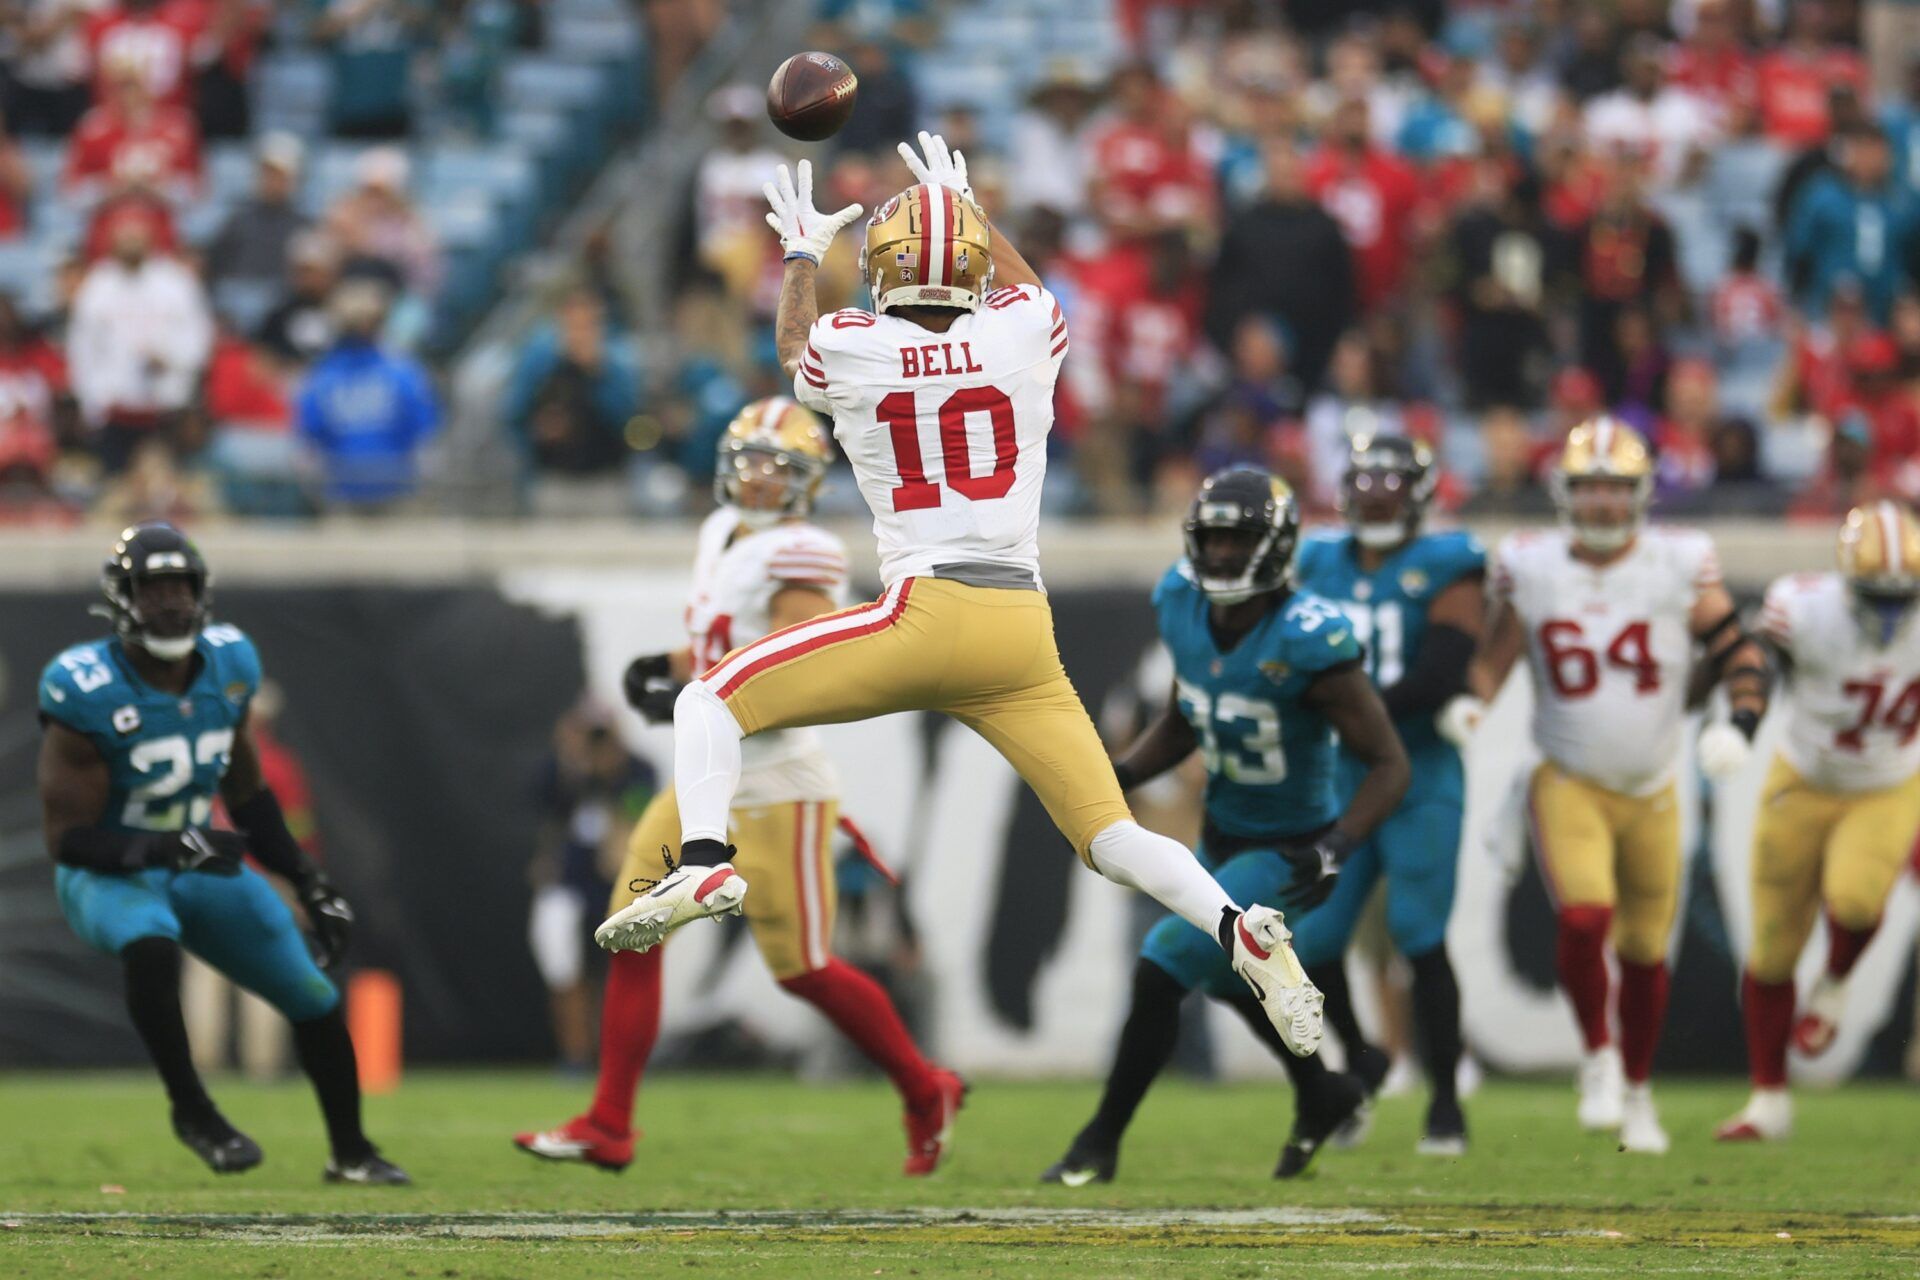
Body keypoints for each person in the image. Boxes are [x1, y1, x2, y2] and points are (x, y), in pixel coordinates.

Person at [597, 134, 1330, 1067]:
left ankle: (702, 865)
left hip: (925, 612)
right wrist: (971, 207)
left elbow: (793, 350)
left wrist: (796, 254)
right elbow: (1030, 294)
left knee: (709, 700)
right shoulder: (1020, 331)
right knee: (1108, 836)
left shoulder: (855, 346)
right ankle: (1241, 930)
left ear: (883, 270)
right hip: (1021, 629)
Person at [516, 398, 962, 1173]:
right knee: (631, 928)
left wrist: (711, 691)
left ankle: (925, 1088)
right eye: (748, 461)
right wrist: (671, 666)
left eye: (776, 467)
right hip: (706, 782)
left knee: (805, 970)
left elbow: (805, 665)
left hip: (778, 784)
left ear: (806, 483)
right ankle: (610, 1122)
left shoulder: (805, 551)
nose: (757, 478)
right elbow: (730, 647)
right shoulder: (722, 533)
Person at [1040, 467, 1409, 1186]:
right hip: (1222, 837)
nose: (1217, 556)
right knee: (1232, 982)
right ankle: (1321, 1092)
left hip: (1291, 848)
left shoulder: (1309, 638)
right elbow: (1186, 719)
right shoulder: (1179, 602)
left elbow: (1390, 763)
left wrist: (1338, 845)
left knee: (1161, 964)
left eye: (1236, 541)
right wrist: (1113, 781)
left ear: (1273, 547)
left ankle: (1099, 1140)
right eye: (1208, 540)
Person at [35, 522, 406, 1182]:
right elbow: (70, 841)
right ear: (123, 599)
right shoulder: (85, 686)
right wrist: (170, 845)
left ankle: (351, 1151)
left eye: (182, 586)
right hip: (110, 872)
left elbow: (248, 791)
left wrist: (309, 880)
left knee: (310, 991)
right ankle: (193, 1109)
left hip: (193, 858)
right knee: (149, 941)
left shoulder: (230, 665)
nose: (172, 602)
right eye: (154, 589)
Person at [1465, 418, 1770, 1154]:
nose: (1602, 503)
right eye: (1589, 487)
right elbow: (1492, 659)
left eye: (1615, 488)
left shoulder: (1678, 562)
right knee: (1583, 920)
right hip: (1567, 777)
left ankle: (1637, 1090)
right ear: (1565, 494)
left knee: (1642, 954)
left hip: (1654, 787)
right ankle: (1597, 1058)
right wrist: (1467, 702)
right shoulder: (1532, 565)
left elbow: (1738, 651)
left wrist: (1739, 725)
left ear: (1640, 495)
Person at [1289, 436, 1485, 1154]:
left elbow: (1441, 672)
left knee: (1418, 932)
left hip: (1417, 773)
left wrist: (1341, 707)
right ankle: (1363, 1065)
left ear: (1421, 495)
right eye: (1365, 480)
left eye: (1392, 482)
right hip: (1343, 777)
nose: (1376, 494)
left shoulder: (1448, 563)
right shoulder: (1315, 558)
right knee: (1312, 941)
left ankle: (1444, 1101)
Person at [1719, 502, 1920, 1142]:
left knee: (1857, 900)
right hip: (1801, 780)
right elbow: (1756, 663)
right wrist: (1742, 721)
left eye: (1903, 596)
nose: (1890, 611)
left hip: (1887, 784)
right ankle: (1768, 1099)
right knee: (1772, 950)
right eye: (1875, 594)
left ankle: (1833, 985)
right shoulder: (1802, 606)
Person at [525, 700, 654, 1076]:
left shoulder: (637, 769)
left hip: (618, 884)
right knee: (563, 969)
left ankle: (619, 1056)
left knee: (621, 972)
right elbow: (542, 802)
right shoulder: (562, 771)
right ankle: (575, 1054)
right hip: (568, 880)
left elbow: (639, 811)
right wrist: (572, 761)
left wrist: (614, 771)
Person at [294, 279, 439, 509]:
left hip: (392, 491)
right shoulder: (402, 371)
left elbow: (424, 435)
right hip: (347, 492)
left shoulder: (322, 376)